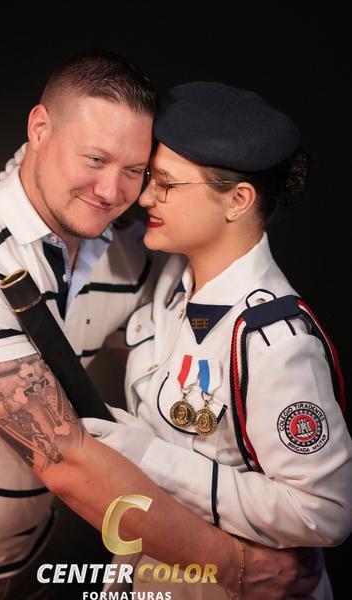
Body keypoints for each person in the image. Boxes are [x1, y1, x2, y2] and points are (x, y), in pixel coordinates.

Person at [0, 49, 320, 600]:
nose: (113, 192)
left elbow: (191, 379)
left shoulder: (132, 255)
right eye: (95, 159)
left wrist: (274, 508)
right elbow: (66, 461)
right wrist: (235, 565)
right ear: (40, 128)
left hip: (27, 562)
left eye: (134, 171)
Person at [83, 81, 352, 599]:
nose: (145, 197)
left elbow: (326, 511)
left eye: (166, 184)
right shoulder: (169, 278)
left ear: (238, 200)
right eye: (150, 178)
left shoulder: (273, 339)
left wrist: (152, 458)